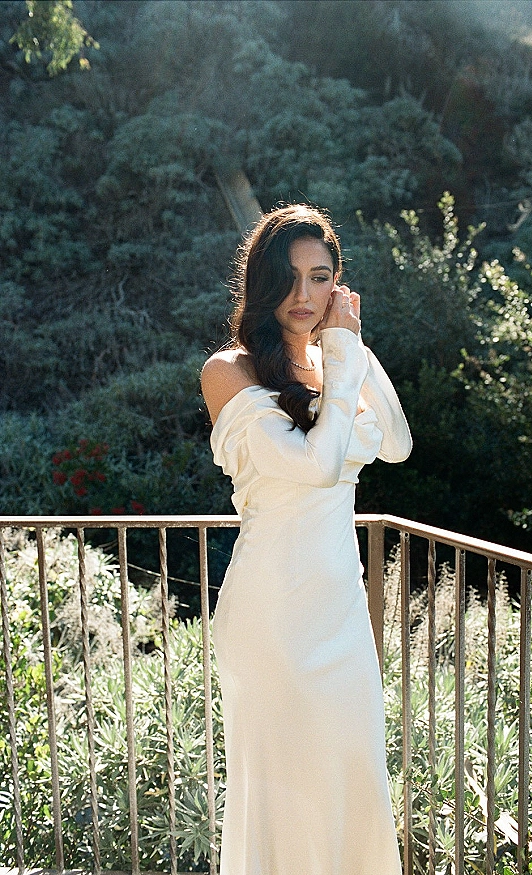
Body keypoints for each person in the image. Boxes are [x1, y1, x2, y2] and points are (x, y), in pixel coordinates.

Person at [201, 204, 412, 875]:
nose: (303, 295)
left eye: (319, 277)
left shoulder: (337, 360)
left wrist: (352, 345)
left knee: (351, 780)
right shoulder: (227, 369)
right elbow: (318, 465)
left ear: (337, 286)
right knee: (285, 796)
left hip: (340, 614)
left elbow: (400, 443)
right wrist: (342, 356)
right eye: (289, 278)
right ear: (260, 282)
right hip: (275, 619)